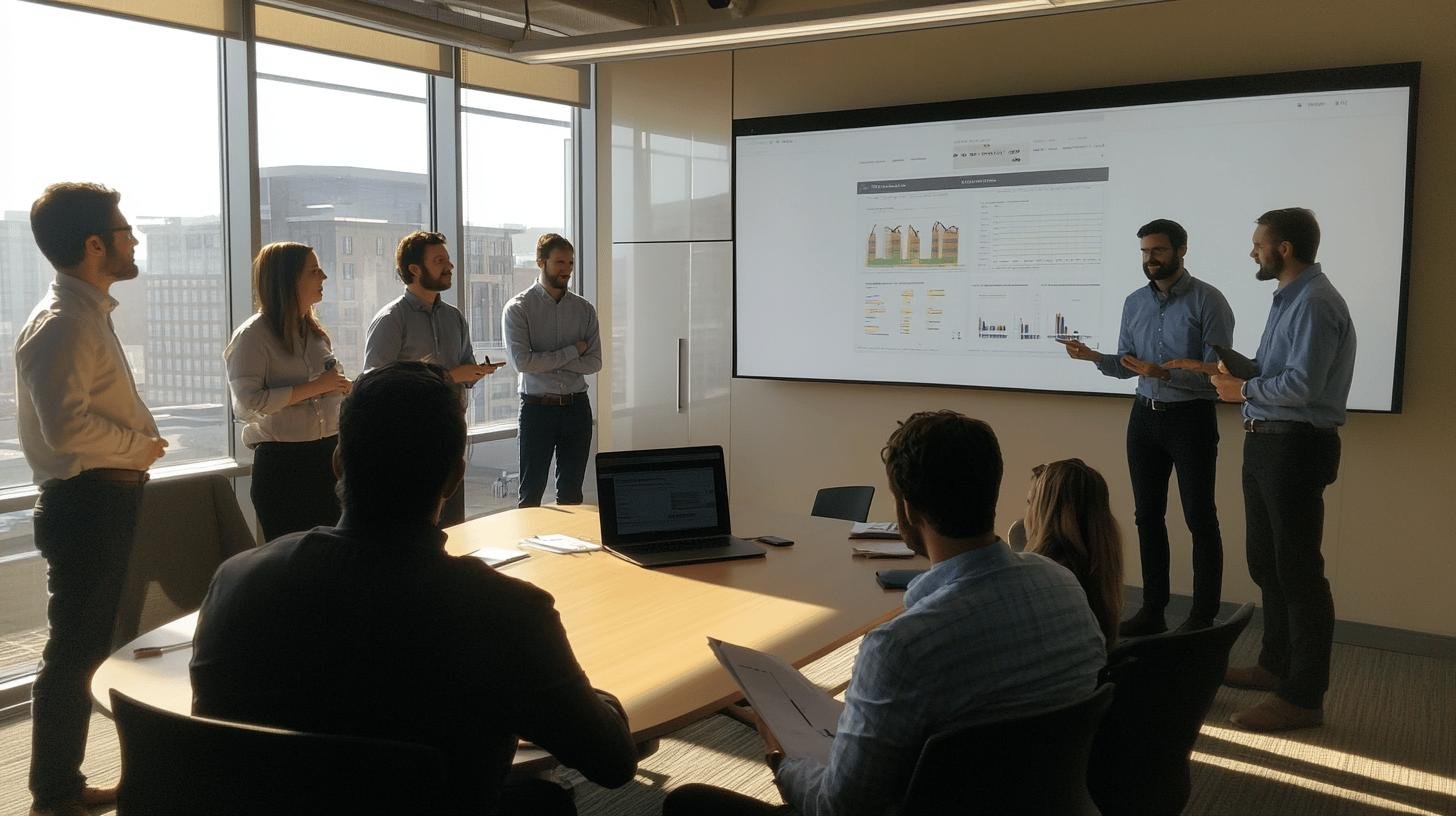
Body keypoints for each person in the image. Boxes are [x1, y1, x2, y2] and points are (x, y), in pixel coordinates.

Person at [190, 362, 637, 815]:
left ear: (338, 464)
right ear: (454, 477)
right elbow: (612, 762)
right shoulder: (505, 613)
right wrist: (592, 696)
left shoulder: (236, 582)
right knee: (548, 802)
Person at [663, 411, 1107, 816]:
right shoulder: (1063, 586)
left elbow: (838, 808)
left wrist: (786, 762)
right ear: (993, 489)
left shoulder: (901, 648)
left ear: (906, 510)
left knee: (687, 804)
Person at [17, 183, 168, 816]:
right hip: (87, 506)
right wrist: (139, 444)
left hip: (99, 502)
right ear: (93, 244)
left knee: (88, 645)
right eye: (125, 229)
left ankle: (63, 783)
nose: (134, 240)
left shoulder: (84, 315)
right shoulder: (64, 323)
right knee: (74, 650)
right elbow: (68, 430)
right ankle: (55, 791)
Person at [1187, 208, 1354, 732]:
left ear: (1283, 248)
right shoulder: (1289, 298)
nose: (1252, 252)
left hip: (1296, 447)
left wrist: (1244, 390)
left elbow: (1302, 386)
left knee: (1299, 573)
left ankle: (1303, 697)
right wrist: (1234, 369)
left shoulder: (1316, 302)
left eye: (1258, 244)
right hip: (1267, 445)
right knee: (1268, 564)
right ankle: (1273, 666)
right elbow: (1276, 371)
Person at [1059, 218, 1233, 637]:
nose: (1150, 259)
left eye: (1158, 251)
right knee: (1146, 516)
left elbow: (1219, 373)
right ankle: (1153, 610)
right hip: (1144, 417)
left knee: (1199, 518)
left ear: (1181, 251)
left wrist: (1166, 373)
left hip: (1190, 418)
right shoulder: (1134, 302)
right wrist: (1094, 358)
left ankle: (1201, 619)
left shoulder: (1209, 301)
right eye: (1144, 252)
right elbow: (1128, 365)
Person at [364, 230, 501, 527]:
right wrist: (451, 376)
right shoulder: (391, 319)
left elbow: (465, 370)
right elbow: (374, 384)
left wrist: (474, 374)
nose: (449, 266)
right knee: (410, 526)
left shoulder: (454, 317)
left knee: (453, 525)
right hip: (406, 441)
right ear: (414, 269)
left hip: (450, 433)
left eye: (448, 259)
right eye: (439, 260)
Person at [225, 242, 351, 542]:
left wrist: (342, 388)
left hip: (329, 457)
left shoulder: (315, 333)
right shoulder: (252, 336)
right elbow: (246, 405)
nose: (324, 276)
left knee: (334, 558)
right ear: (288, 280)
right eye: (313, 270)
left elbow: (328, 386)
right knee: (296, 563)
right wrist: (316, 388)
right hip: (285, 468)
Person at [502, 233, 602, 508]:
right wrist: (573, 351)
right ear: (540, 262)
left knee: (572, 494)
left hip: (576, 408)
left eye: (570, 263)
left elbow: (594, 363)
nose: (566, 269)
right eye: (559, 262)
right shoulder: (518, 309)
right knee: (530, 494)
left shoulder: (584, 310)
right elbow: (523, 362)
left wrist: (545, 360)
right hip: (537, 410)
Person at [1024, 458, 1126, 647]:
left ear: (1045, 513)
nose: (1026, 515)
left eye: (1030, 502)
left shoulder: (1039, 581)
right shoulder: (1101, 571)